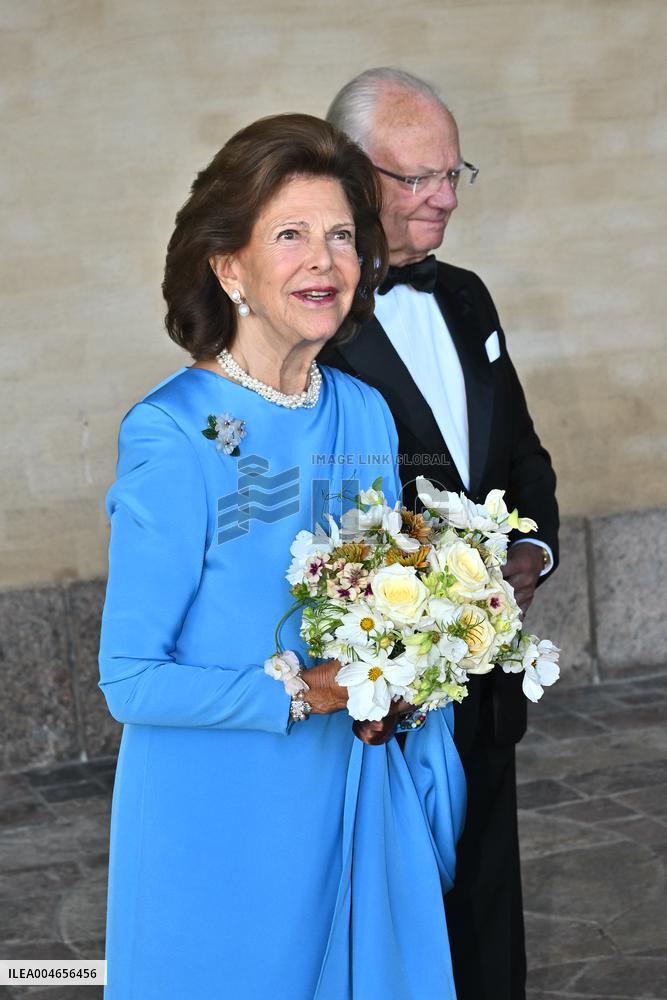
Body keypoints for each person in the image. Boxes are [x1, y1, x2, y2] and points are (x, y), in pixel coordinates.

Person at [98, 113, 466, 1000]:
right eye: (291, 235)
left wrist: (411, 669)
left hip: (354, 787)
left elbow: (385, 599)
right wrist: (312, 688)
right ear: (229, 266)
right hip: (225, 812)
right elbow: (130, 679)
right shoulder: (173, 433)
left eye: (341, 236)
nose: (324, 261)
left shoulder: (365, 412)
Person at [322, 68, 560, 1000]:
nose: (445, 198)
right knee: (388, 919)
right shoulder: (315, 314)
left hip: (486, 672)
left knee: (488, 907)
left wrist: (531, 551)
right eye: (417, 177)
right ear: (350, 173)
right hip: (378, 701)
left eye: (454, 173)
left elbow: (520, 454)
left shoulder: (467, 297)